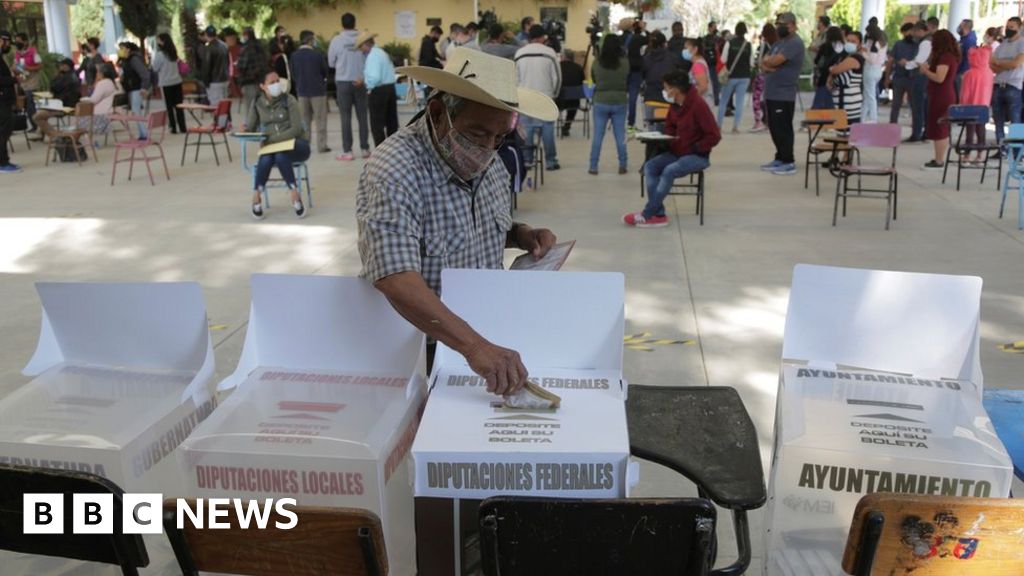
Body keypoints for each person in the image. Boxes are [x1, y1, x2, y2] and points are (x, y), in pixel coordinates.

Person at [356, 46, 558, 392]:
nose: (488, 148)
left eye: (499, 137)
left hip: (484, 335)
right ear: (437, 113)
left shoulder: (489, 158)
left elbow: (474, 225)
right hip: (426, 347)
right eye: (478, 134)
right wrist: (475, 347)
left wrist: (520, 233)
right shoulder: (393, 169)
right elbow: (394, 277)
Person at [623, 70, 720, 228]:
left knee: (669, 170)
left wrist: (696, 147)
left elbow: (714, 135)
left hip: (697, 155)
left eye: (666, 88)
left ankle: (647, 214)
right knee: (650, 167)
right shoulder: (675, 106)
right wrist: (665, 139)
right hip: (677, 151)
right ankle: (659, 214)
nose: (665, 91)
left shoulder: (698, 105)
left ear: (675, 89)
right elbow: (670, 127)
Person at [245, 71, 310, 220]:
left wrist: (273, 140)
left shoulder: (289, 100)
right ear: (262, 86)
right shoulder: (257, 103)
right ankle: (257, 194)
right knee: (269, 157)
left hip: (297, 145)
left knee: (280, 154)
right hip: (273, 149)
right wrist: (245, 129)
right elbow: (250, 127)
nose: (276, 84)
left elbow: (296, 129)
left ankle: (294, 194)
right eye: (271, 82)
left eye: (277, 81)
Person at [760, 12, 805, 176]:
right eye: (778, 24)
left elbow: (774, 61)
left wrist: (770, 63)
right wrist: (769, 63)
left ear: (793, 25)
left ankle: (788, 161)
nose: (780, 27)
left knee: (783, 128)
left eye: (783, 25)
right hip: (772, 93)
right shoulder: (780, 43)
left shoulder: (795, 43)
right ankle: (779, 157)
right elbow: (764, 61)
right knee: (774, 128)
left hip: (783, 94)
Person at [515, 24, 561, 170]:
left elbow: (515, 78)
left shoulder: (519, 53)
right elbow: (557, 78)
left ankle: (528, 160)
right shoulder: (550, 53)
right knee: (547, 129)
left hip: (525, 98)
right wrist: (554, 94)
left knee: (527, 129)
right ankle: (551, 161)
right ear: (542, 37)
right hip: (545, 97)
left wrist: (518, 95)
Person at [328, 13, 370, 160]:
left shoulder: (336, 40)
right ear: (355, 22)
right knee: (363, 116)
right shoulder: (363, 39)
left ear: (342, 24)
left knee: (345, 117)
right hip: (360, 81)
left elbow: (331, 63)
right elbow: (368, 57)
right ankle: (365, 149)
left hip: (343, 83)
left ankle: (348, 151)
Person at [587, 34, 628, 175]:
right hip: (620, 101)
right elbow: (627, 79)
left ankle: (593, 166)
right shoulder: (625, 62)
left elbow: (593, 78)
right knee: (620, 135)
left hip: (601, 100)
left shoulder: (597, 62)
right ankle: (623, 165)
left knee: (598, 135)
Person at [921, 30, 961, 170]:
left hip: (942, 95)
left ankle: (939, 160)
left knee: (940, 127)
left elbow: (939, 78)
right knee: (939, 126)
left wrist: (925, 71)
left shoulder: (945, 57)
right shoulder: (948, 56)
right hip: (941, 94)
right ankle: (938, 157)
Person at [291, 30, 330, 153]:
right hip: (318, 91)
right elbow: (325, 71)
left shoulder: (294, 56)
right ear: (310, 40)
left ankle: (305, 145)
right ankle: (322, 145)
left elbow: (293, 74)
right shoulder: (317, 55)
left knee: (305, 121)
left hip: (302, 91)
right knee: (320, 120)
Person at [357, 31, 398, 147]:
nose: (361, 50)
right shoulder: (381, 52)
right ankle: (392, 148)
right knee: (391, 123)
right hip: (390, 88)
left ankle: (380, 150)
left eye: (361, 47)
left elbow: (375, 77)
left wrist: (366, 83)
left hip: (379, 91)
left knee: (377, 125)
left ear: (366, 44)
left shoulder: (373, 56)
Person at [989, 17, 1024, 145]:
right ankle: (1001, 148)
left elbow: (1016, 64)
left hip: (1013, 86)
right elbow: (991, 64)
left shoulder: (1022, 43)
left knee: (1016, 120)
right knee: (998, 120)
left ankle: (1017, 151)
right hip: (998, 85)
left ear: (1019, 28)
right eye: (1007, 27)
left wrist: (999, 63)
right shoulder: (1002, 44)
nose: (1008, 30)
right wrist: (1004, 64)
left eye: (1012, 27)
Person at [31, 58, 80, 141]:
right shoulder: (74, 76)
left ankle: (54, 135)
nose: (59, 67)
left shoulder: (65, 78)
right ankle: (40, 132)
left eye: (61, 65)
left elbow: (53, 87)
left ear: (66, 66)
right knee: (43, 108)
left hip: (63, 106)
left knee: (37, 117)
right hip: (69, 105)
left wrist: (57, 76)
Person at [960, 42, 993, 163]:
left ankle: (967, 155)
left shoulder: (969, 74)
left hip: (970, 107)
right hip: (984, 107)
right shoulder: (989, 73)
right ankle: (980, 155)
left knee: (970, 130)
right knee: (981, 130)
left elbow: (965, 93)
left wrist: (962, 105)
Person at [717, 22, 753, 133]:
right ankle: (735, 127)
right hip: (745, 77)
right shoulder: (748, 45)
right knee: (739, 102)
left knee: (723, 101)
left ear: (736, 31)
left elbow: (723, 60)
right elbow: (751, 63)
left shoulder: (729, 43)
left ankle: (719, 126)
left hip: (731, 76)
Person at [899, 22, 931, 143]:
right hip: (925, 77)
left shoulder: (925, 42)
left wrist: (907, 64)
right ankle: (925, 132)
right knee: (923, 106)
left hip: (920, 77)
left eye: (916, 31)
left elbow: (919, 61)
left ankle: (916, 133)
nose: (914, 34)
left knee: (918, 107)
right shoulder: (929, 41)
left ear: (920, 31)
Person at [642, 31, 684, 121]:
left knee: (651, 131)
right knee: (670, 131)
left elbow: (643, 76)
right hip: (669, 99)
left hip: (651, 99)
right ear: (665, 43)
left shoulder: (645, 59)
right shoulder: (673, 58)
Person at [152, 33, 186, 134]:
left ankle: (173, 127)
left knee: (169, 107)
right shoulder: (173, 53)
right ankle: (183, 127)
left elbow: (155, 68)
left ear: (162, 41)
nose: (157, 42)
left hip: (166, 83)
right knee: (179, 106)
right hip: (177, 81)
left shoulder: (160, 54)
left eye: (158, 40)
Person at [829, 31, 864, 125]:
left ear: (860, 44)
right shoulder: (846, 57)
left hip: (850, 104)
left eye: (853, 41)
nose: (849, 43)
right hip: (842, 103)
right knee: (841, 134)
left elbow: (834, 70)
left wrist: (833, 69)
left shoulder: (856, 58)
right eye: (848, 40)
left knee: (848, 134)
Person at [118, 41, 151, 139]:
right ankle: (142, 133)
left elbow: (144, 74)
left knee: (136, 112)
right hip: (133, 88)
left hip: (137, 88)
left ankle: (144, 134)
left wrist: (144, 87)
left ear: (128, 49)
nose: (120, 51)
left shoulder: (134, 59)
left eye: (122, 48)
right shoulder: (127, 60)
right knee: (136, 111)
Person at [236, 27, 269, 121]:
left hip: (249, 81)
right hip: (262, 81)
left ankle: (252, 130)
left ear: (246, 35)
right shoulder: (261, 46)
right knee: (261, 107)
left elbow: (241, 66)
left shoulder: (246, 48)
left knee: (250, 108)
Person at [889, 23, 918, 125]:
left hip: (913, 78)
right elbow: (890, 61)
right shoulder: (898, 44)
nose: (909, 33)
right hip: (899, 78)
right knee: (896, 104)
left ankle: (916, 129)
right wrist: (887, 77)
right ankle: (892, 126)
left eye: (910, 31)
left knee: (914, 105)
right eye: (906, 32)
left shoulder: (918, 45)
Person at [13, 33, 43, 133]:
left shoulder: (33, 52)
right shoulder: (17, 53)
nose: (17, 43)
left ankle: (36, 126)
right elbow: (16, 67)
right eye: (16, 41)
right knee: (27, 105)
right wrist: (16, 70)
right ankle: (34, 126)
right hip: (23, 82)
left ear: (25, 42)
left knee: (31, 104)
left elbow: (39, 66)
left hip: (32, 82)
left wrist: (28, 68)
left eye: (19, 41)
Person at [81, 63, 118, 140]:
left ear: (102, 73)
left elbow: (93, 100)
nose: (96, 74)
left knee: (79, 120)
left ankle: (88, 141)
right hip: (108, 111)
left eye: (97, 72)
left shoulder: (102, 84)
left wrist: (83, 99)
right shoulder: (111, 82)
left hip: (100, 114)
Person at [750, 23, 776, 133]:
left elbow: (760, 61)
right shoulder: (778, 44)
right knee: (770, 99)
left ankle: (759, 121)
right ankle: (769, 121)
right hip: (775, 76)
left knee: (757, 98)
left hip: (763, 74)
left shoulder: (764, 45)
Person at [0, 30, 18, 173]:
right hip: (2, 100)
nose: (8, 46)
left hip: (5, 99)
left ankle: (5, 160)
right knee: (3, 131)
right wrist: (14, 79)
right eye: (6, 42)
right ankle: (2, 163)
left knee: (5, 130)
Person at [812, 27, 843, 109]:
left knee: (819, 102)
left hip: (824, 76)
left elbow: (817, 61)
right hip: (839, 77)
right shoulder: (844, 47)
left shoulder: (825, 46)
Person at [625, 19, 648, 130]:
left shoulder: (628, 38)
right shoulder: (640, 38)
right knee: (633, 96)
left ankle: (625, 119)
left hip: (625, 68)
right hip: (636, 70)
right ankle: (631, 121)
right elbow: (651, 39)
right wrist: (645, 29)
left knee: (628, 96)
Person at [200, 26, 230, 107]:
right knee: (225, 105)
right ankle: (226, 120)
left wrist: (205, 82)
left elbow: (207, 67)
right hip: (225, 78)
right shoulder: (224, 46)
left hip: (214, 81)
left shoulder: (209, 48)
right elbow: (228, 62)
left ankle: (220, 120)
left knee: (216, 106)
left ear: (206, 35)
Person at [557, 50, 585, 137]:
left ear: (564, 57)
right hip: (574, 101)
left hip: (559, 101)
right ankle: (567, 126)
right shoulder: (579, 68)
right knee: (573, 102)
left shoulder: (557, 67)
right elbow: (582, 83)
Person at [861, 28, 886, 123]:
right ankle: (862, 117)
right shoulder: (882, 43)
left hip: (870, 69)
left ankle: (873, 118)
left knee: (870, 96)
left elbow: (871, 59)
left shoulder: (874, 45)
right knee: (868, 95)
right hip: (878, 70)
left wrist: (863, 53)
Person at [702, 22, 721, 105]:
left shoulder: (718, 38)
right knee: (710, 81)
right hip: (708, 62)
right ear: (709, 28)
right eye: (714, 27)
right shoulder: (705, 38)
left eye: (715, 27)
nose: (715, 29)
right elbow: (703, 48)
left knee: (716, 81)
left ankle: (716, 98)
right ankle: (711, 98)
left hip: (716, 63)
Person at [957, 19, 977, 95]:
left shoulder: (969, 40)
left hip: (964, 71)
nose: (959, 28)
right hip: (961, 70)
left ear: (966, 28)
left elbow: (968, 57)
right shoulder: (964, 38)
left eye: (961, 26)